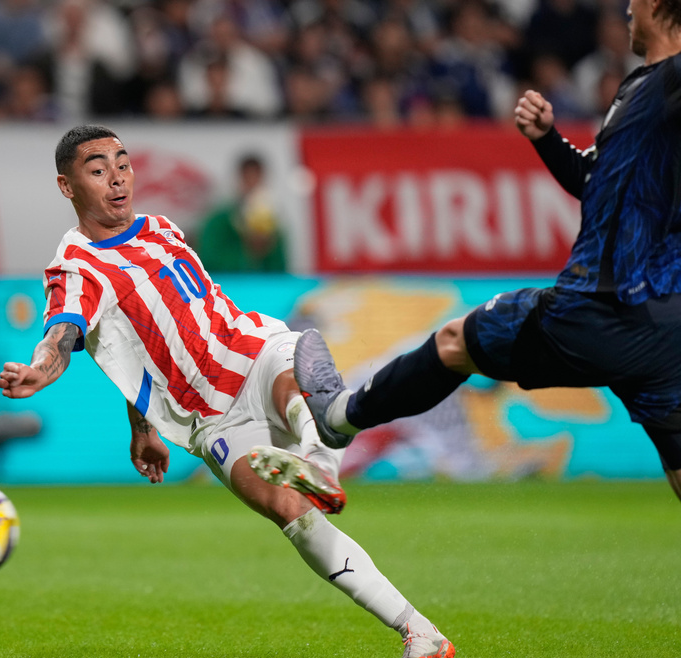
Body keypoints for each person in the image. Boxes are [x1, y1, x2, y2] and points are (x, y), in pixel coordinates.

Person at [0, 124, 456, 658]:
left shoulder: (162, 229)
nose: (117, 179)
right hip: (208, 418)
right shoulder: (76, 268)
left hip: (253, 352)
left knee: (295, 386)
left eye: (123, 163)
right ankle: (420, 634)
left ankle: (319, 459)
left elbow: (140, 340)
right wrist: (46, 371)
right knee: (291, 514)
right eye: (98, 170)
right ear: (67, 187)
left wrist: (141, 426)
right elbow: (68, 337)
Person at [288, 0, 681, 503]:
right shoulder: (639, 88)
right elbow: (596, 185)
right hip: (662, 327)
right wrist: (547, 141)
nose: (627, 9)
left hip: (596, 308)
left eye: (636, 0)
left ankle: (339, 416)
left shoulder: (670, 82)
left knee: (455, 342)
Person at [197, 154, 288, 273]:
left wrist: (266, 247)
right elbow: (208, 262)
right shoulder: (217, 222)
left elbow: (280, 270)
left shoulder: (273, 224)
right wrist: (248, 250)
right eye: (247, 179)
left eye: (256, 179)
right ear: (239, 180)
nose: (252, 185)